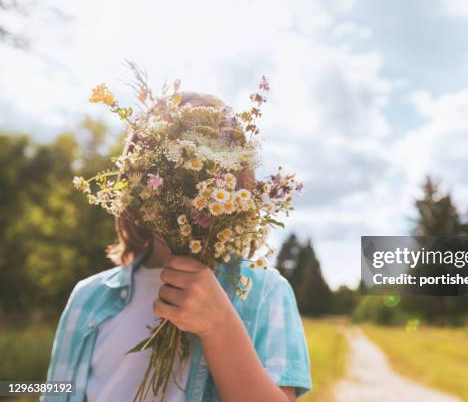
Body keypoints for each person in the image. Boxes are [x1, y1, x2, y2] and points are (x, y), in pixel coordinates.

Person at [44, 94, 312, 401]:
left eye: (211, 174)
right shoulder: (87, 298)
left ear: (238, 185)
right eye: (171, 168)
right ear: (134, 181)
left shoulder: (264, 292)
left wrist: (219, 324)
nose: (190, 186)